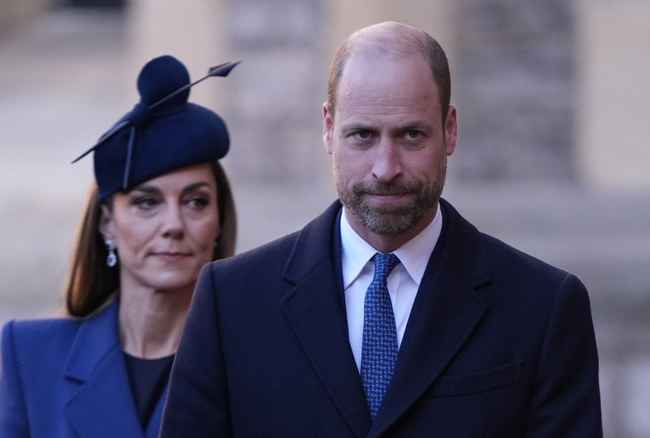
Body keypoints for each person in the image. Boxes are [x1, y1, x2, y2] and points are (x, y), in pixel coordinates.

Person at [160, 22, 601, 437]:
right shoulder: (231, 301)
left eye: (411, 135)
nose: (385, 169)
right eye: (363, 135)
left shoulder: (543, 307)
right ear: (329, 129)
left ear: (449, 130)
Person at [0, 54, 239, 438]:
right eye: (147, 202)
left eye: (195, 201)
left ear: (219, 219)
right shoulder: (32, 354)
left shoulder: (256, 361)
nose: (173, 225)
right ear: (107, 223)